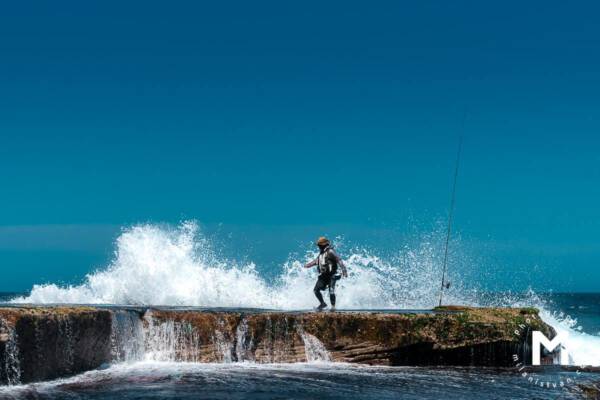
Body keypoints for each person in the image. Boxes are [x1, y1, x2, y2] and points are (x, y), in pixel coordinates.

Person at [303, 237, 348, 311]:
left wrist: (344, 269)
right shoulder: (321, 253)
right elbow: (316, 261)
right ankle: (322, 303)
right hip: (324, 276)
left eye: (320, 245)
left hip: (332, 275)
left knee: (331, 290)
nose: (319, 247)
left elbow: (338, 259)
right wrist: (308, 265)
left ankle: (333, 307)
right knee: (316, 290)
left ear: (324, 245)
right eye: (318, 245)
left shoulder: (330, 251)